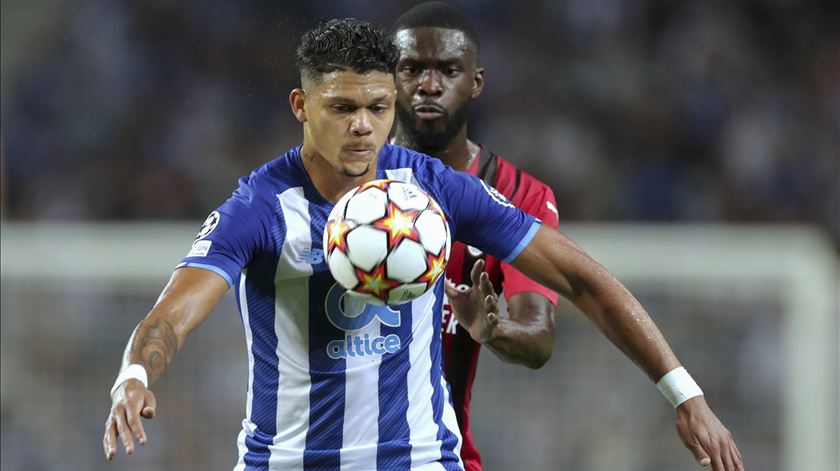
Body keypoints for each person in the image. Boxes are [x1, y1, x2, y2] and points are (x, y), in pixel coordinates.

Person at [103, 17, 744, 471]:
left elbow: (581, 279)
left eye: (378, 108)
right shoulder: (260, 208)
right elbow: (173, 315)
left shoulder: (430, 190)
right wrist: (135, 374)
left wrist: (685, 395)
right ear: (301, 105)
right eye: (341, 107)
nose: (363, 127)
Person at [391, 4, 558, 470]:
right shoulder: (349, 180)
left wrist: (493, 328)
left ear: (476, 82)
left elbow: (539, 335)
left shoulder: (517, 194)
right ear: (390, 77)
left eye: (447, 70)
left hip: (439, 457)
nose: (429, 85)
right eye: (412, 69)